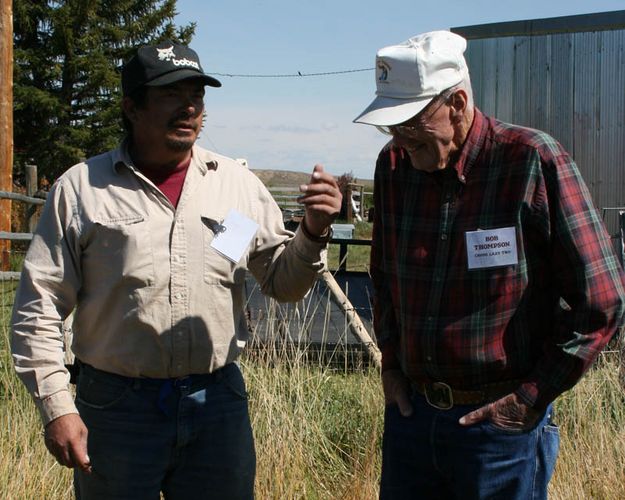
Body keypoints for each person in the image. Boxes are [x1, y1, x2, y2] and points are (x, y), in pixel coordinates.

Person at [11, 39, 341, 499]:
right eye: (170, 94)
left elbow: (282, 283)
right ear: (132, 107)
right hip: (115, 408)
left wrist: (313, 231)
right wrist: (57, 406)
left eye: (197, 95)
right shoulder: (83, 189)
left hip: (216, 406)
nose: (189, 108)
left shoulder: (237, 188)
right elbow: (37, 306)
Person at [353, 30, 625, 499]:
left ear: (456, 103)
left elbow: (602, 300)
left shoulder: (531, 161)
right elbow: (384, 278)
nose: (399, 139)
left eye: (410, 123)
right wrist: (392, 368)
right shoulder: (395, 166)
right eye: (391, 127)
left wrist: (531, 397)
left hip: (499, 435)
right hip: (411, 423)